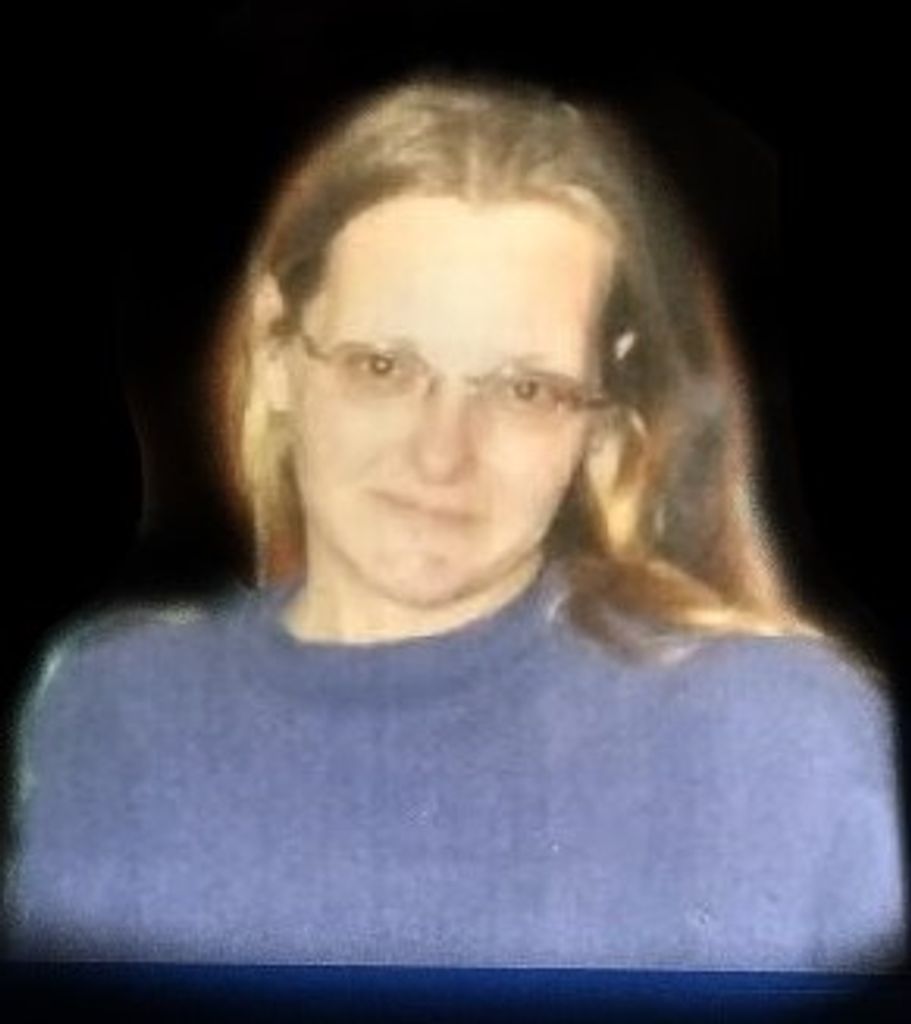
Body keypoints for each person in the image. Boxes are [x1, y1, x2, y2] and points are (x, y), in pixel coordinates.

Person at [3, 72, 906, 969]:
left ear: (598, 419)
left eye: (522, 390)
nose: (441, 455)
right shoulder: (114, 709)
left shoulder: (781, 742)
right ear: (278, 356)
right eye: (383, 368)